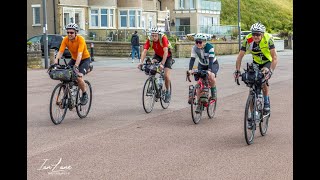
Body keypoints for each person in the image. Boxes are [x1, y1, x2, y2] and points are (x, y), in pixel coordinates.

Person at [234, 22, 278, 112]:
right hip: (256, 62)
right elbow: (240, 56)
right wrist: (237, 70)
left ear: (262, 34)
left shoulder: (268, 39)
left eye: (258, 34)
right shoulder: (249, 39)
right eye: (254, 34)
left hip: (267, 62)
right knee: (251, 88)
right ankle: (251, 115)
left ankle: (266, 101)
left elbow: (274, 57)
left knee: (263, 78)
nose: (255, 36)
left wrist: (271, 71)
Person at [53, 23, 91, 105]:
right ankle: (67, 95)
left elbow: (80, 54)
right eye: (68, 32)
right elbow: (60, 52)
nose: (69, 34)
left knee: (79, 77)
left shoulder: (81, 39)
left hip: (84, 60)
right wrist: (55, 62)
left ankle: (84, 94)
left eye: (71, 32)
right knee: (64, 75)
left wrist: (76, 66)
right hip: (74, 59)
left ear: (76, 33)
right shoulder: (65, 39)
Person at [138, 26, 173, 103]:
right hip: (157, 56)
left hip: (167, 57)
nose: (154, 37)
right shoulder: (150, 40)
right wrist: (141, 62)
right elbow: (144, 51)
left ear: (159, 35)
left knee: (166, 76)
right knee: (151, 67)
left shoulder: (163, 38)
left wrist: (162, 64)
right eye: (152, 35)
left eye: (155, 35)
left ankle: (167, 92)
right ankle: (154, 84)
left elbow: (166, 52)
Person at [187, 34, 219, 113]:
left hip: (213, 64)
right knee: (199, 83)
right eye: (196, 42)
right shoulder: (194, 48)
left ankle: (213, 93)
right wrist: (190, 70)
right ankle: (199, 104)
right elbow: (192, 59)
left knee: (211, 77)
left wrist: (209, 70)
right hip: (201, 64)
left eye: (200, 42)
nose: (198, 44)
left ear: (204, 42)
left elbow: (211, 60)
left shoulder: (210, 47)